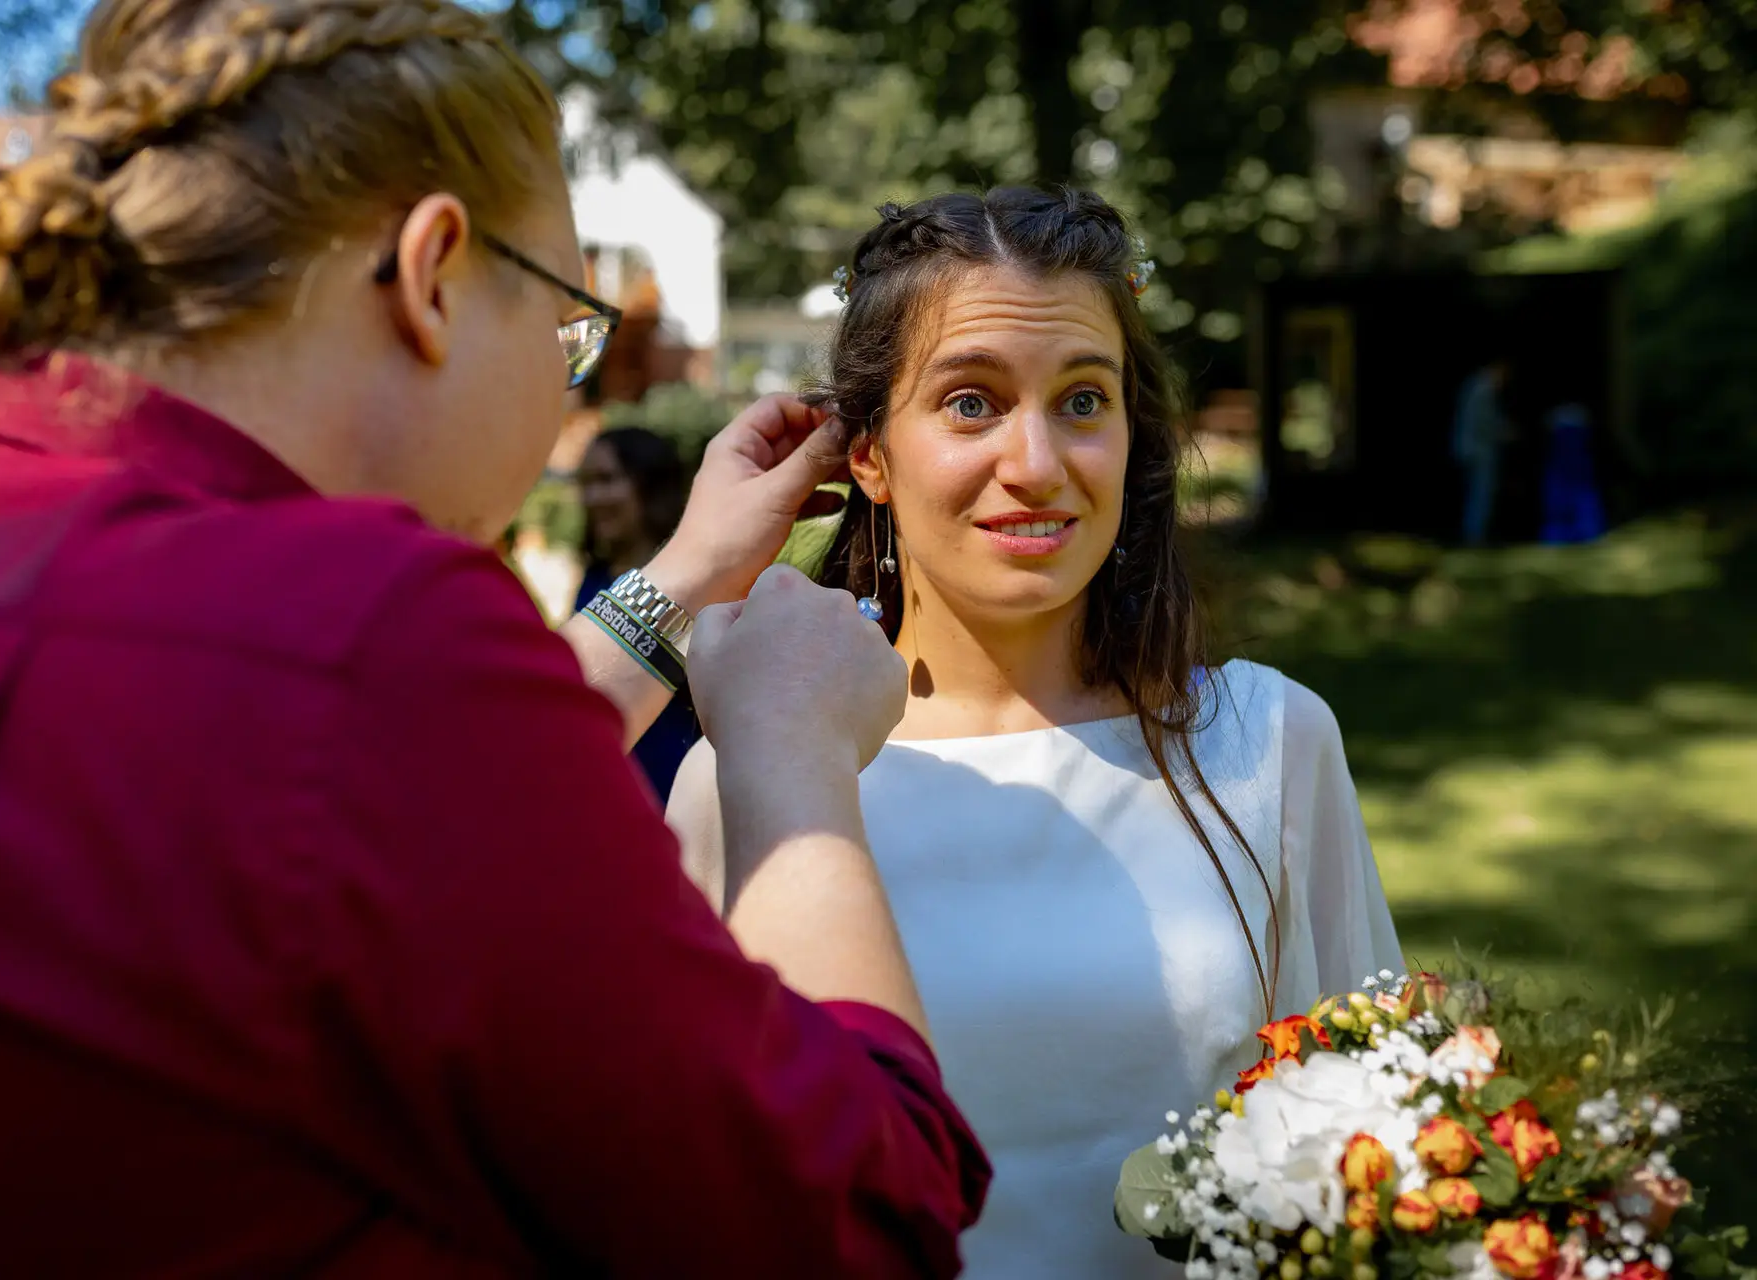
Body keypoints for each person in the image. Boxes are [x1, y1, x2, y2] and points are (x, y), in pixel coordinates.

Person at [0, 2, 989, 1275]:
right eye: (568, 328)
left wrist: (678, 579)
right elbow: (851, 1224)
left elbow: (325, 799)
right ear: (435, 271)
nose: (571, 376)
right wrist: (793, 760)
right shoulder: (361, 628)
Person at [668, 188, 1401, 1277]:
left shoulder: (1270, 740)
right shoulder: (753, 768)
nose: (1038, 461)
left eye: (1083, 401)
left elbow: (1386, 1139)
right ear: (866, 454)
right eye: (970, 403)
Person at [574, 426, 702, 801]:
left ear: (648, 485)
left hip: (674, 789)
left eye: (607, 479)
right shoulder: (593, 579)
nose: (593, 497)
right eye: (586, 482)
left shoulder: (700, 584)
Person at [1453, 358, 1513, 547]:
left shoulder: (1473, 387)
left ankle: (1474, 534)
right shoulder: (1483, 390)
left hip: (1470, 449)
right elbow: (1485, 422)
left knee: (1475, 494)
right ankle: (1475, 536)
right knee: (1480, 495)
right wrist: (1505, 432)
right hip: (1479, 450)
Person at [1539, 401, 1606, 545]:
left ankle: (1576, 534)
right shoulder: (1574, 431)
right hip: (1571, 471)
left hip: (1571, 471)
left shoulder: (1564, 432)